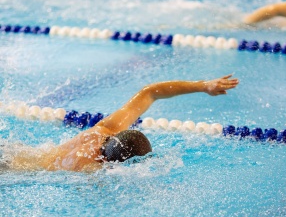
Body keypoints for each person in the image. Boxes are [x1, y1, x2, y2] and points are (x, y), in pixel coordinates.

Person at [9, 74, 239, 172]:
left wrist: (202, 85)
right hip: (12, 168)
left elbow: (151, 92)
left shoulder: (103, 129)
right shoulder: (88, 167)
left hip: (18, 152)